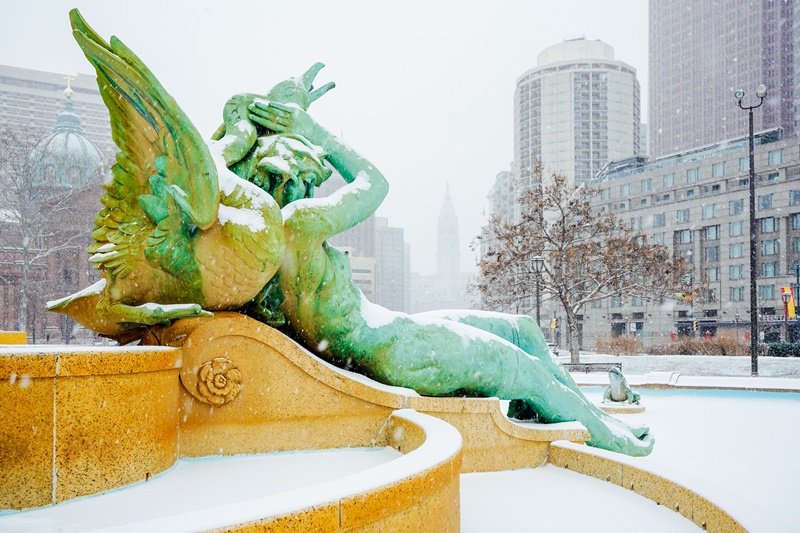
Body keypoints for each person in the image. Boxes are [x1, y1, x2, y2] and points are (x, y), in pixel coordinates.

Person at [244, 99, 653, 457]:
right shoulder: (296, 224)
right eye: (304, 175)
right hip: (398, 353)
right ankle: (608, 439)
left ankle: (598, 418)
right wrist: (314, 131)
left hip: (394, 329)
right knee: (522, 367)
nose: (311, 184)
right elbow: (375, 183)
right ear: (278, 179)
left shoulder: (270, 239)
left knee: (523, 330)